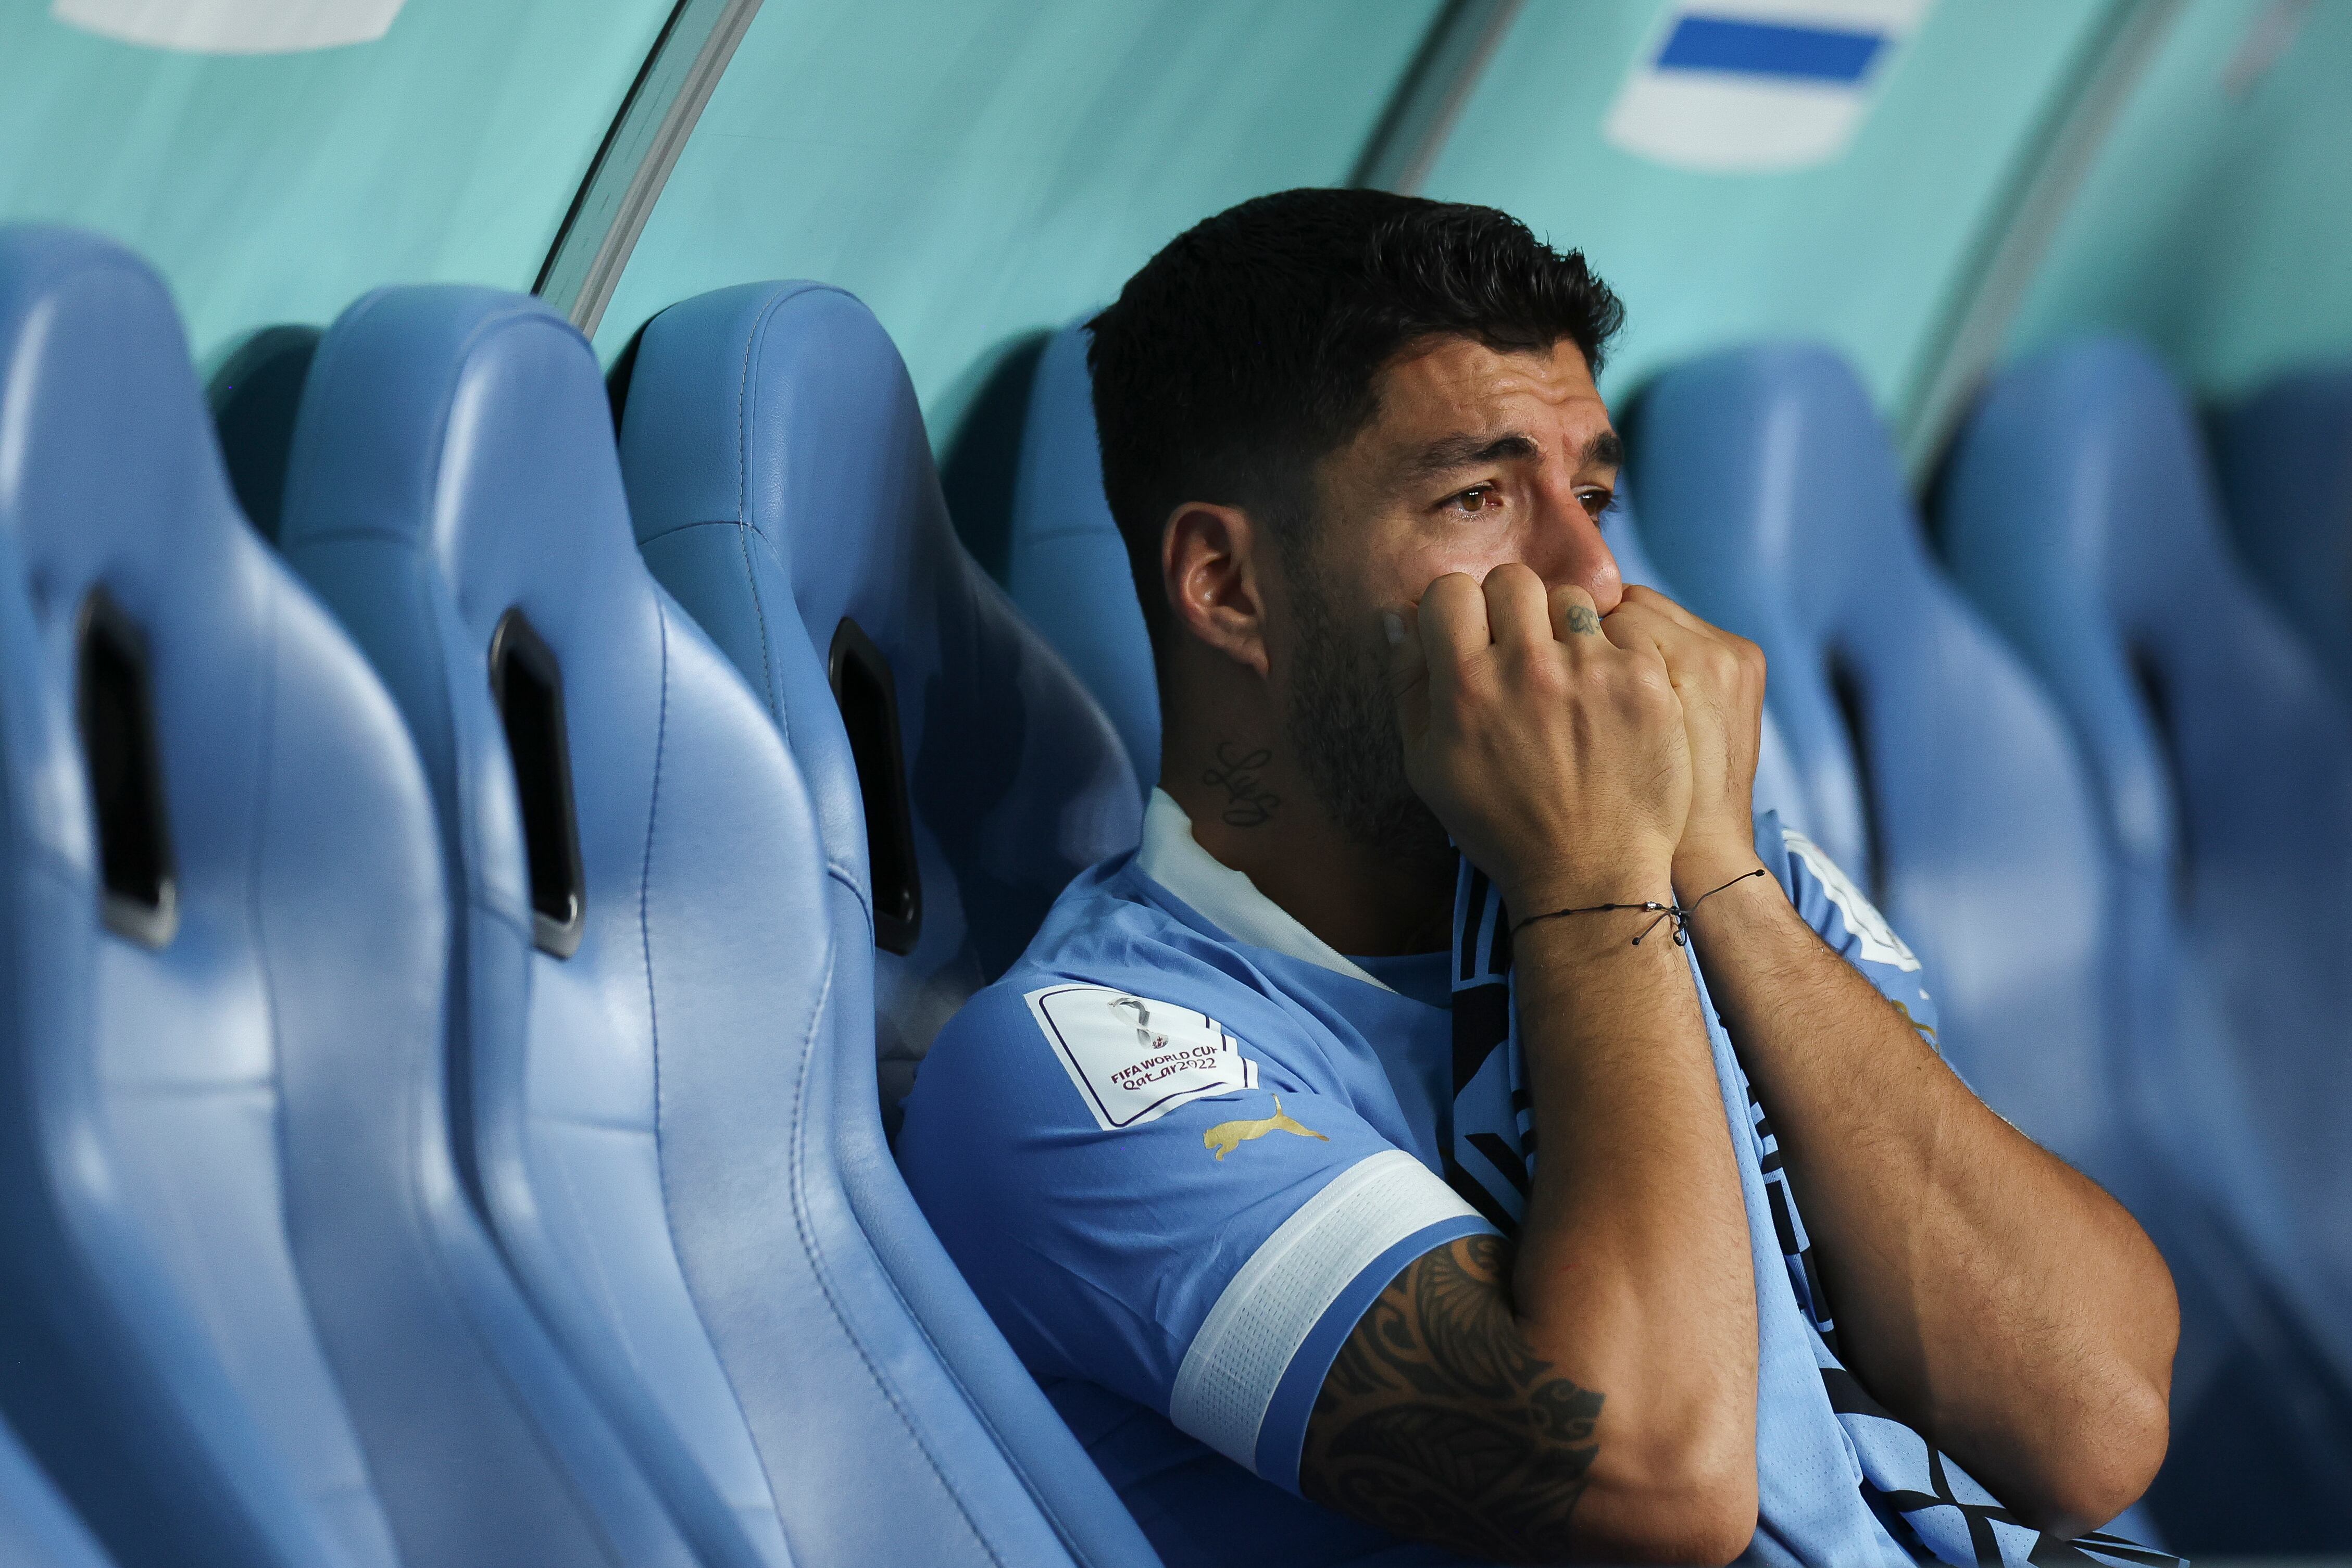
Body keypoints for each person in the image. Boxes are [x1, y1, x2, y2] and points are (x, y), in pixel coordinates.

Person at [896, 189, 2178, 1568]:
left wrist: (1719, 872)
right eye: (1475, 498)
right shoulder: (1083, 1063)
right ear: (1227, 587)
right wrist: (1595, 876)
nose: (1589, 574)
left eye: (1592, 496)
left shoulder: (1711, 879)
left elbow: (2089, 1425)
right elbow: (1659, 1485)